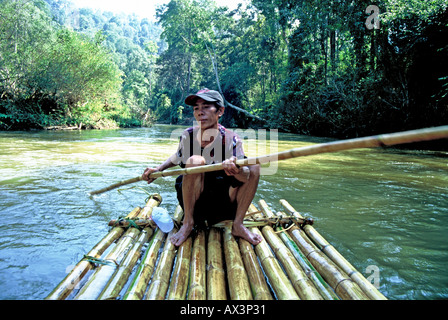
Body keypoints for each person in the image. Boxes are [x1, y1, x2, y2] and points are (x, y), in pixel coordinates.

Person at [142, 88, 262, 246]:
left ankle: (238, 225)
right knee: (195, 161)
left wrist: (234, 167)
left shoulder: (231, 138)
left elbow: (245, 176)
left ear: (220, 111)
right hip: (197, 204)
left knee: (254, 165)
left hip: (224, 206)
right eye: (196, 108)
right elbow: (178, 156)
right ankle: (188, 223)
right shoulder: (188, 135)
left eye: (206, 107)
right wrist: (159, 169)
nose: (200, 112)